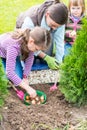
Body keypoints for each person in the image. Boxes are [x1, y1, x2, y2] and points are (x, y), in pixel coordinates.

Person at [0, 26, 51, 98]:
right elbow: (10, 73)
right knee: (5, 78)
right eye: (36, 49)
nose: (35, 51)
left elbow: (29, 60)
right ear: (31, 41)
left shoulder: (29, 42)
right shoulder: (13, 47)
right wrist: (28, 88)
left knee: (18, 78)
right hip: (2, 54)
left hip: (10, 55)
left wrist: (25, 77)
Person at [16, 0, 68, 70]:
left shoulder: (59, 21)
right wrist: (45, 57)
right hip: (25, 37)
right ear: (47, 14)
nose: (55, 28)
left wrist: (59, 62)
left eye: (57, 27)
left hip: (42, 33)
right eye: (53, 25)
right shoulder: (30, 20)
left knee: (46, 56)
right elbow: (26, 43)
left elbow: (59, 43)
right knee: (27, 58)